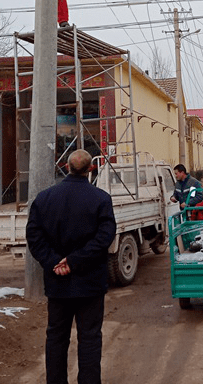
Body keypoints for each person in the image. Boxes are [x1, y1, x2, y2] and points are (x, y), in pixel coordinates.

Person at [26, 149, 117, 384]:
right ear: (90, 169)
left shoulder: (44, 198)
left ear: (66, 167)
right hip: (90, 283)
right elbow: (104, 237)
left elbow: (34, 237)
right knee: (89, 338)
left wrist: (54, 262)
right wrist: (76, 261)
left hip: (58, 283)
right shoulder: (100, 199)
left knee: (56, 337)